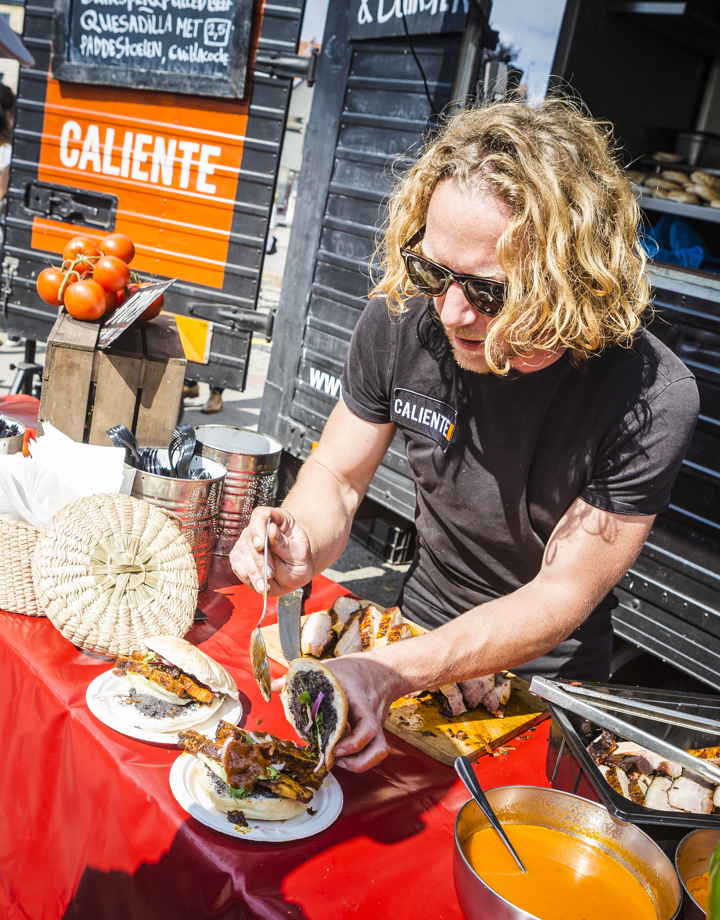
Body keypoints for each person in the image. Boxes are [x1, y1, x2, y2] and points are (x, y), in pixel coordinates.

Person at [230, 100, 700, 774]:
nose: (451, 312)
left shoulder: (650, 395)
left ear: (574, 279)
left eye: (491, 293)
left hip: (544, 687)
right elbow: (337, 475)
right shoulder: (402, 319)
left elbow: (562, 592)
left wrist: (395, 670)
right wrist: (302, 534)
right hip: (411, 634)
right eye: (434, 272)